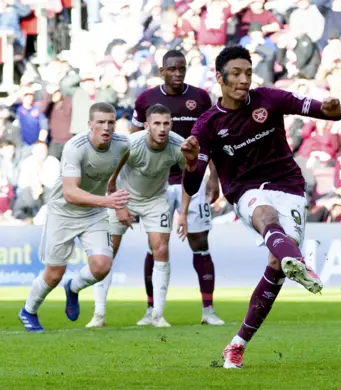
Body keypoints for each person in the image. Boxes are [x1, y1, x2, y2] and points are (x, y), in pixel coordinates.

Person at [180, 46, 341, 369]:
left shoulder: (270, 99)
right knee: (266, 217)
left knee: (275, 265)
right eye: (236, 74)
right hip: (245, 191)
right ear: (220, 79)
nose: (243, 81)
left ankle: (237, 344)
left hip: (290, 187)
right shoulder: (207, 126)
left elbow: (325, 112)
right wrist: (189, 162)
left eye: (248, 73)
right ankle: (295, 259)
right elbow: (192, 184)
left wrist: (334, 109)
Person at [129, 50, 223, 326]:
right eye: (172, 69)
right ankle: (151, 310)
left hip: (192, 180)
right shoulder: (146, 99)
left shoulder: (201, 97)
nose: (178, 73)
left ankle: (208, 310)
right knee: (155, 244)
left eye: (182, 68)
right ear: (162, 71)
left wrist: (214, 177)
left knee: (200, 242)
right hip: (156, 183)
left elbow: (211, 138)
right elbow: (133, 140)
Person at [18, 103, 130, 332]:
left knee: (101, 266)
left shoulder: (122, 144)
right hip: (63, 213)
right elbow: (70, 193)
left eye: (110, 122)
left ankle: (74, 287)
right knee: (54, 273)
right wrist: (109, 202)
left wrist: (113, 193)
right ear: (90, 124)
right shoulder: (74, 147)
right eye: (100, 122)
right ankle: (28, 310)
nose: (106, 127)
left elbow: (117, 166)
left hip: (94, 212)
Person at [87, 104, 186, 328]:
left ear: (171, 124)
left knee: (161, 248)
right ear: (147, 125)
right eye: (157, 124)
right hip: (123, 196)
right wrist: (118, 204)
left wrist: (184, 213)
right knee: (106, 252)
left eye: (166, 123)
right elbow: (108, 177)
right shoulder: (130, 144)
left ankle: (158, 315)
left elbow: (189, 176)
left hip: (156, 199)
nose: (162, 129)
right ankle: (99, 314)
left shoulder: (178, 145)